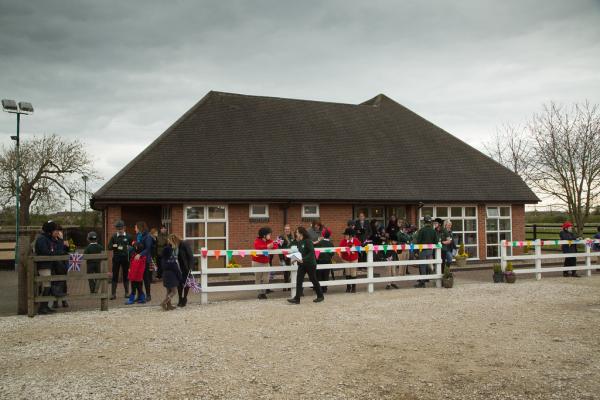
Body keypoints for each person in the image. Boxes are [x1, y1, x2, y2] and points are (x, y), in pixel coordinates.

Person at [287, 226, 324, 304]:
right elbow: (300, 253)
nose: (296, 234)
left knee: (313, 279)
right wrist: (294, 258)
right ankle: (297, 299)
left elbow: (311, 252)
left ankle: (320, 296)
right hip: (302, 264)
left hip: (310, 264)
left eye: (297, 232)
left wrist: (303, 259)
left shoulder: (308, 241)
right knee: (299, 280)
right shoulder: (299, 242)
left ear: (301, 233)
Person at [34, 221, 59, 314]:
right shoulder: (42, 239)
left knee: (48, 285)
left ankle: (45, 306)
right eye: (55, 230)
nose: (57, 232)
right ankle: (42, 307)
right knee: (46, 285)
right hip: (44, 265)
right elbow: (45, 252)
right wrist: (54, 253)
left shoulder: (48, 239)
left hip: (48, 265)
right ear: (50, 231)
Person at [108, 220, 132, 300]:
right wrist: (117, 246)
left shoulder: (128, 236)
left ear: (124, 228)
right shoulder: (114, 236)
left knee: (126, 275)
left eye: (121, 228)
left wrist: (130, 248)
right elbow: (109, 246)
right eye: (118, 229)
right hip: (116, 259)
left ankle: (127, 293)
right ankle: (113, 294)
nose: (119, 230)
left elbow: (133, 246)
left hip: (126, 259)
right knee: (115, 275)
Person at [168, 234, 194, 307]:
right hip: (178, 268)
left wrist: (190, 267)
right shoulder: (173, 246)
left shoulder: (184, 244)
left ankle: (185, 298)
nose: (169, 243)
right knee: (179, 284)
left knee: (186, 283)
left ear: (174, 240)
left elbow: (190, 256)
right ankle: (180, 299)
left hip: (185, 267)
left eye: (170, 241)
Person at [252, 227, 278, 299]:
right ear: (264, 235)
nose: (270, 236)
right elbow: (258, 247)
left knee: (266, 278)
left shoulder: (269, 240)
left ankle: (263, 292)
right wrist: (267, 246)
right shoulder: (257, 240)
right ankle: (260, 293)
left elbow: (275, 246)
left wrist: (272, 245)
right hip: (257, 262)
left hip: (266, 262)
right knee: (258, 278)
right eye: (269, 234)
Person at [414, 215, 438, 288]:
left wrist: (416, 251)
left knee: (422, 265)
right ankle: (426, 278)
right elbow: (436, 241)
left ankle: (422, 282)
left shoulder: (422, 230)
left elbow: (418, 241)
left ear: (424, 222)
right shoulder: (433, 231)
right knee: (428, 264)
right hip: (430, 250)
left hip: (423, 250)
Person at [160, 239, 182, 311]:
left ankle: (169, 305)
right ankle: (164, 302)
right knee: (174, 291)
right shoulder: (171, 259)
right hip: (171, 276)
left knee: (168, 291)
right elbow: (176, 268)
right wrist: (180, 277)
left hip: (165, 275)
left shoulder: (163, 259)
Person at [51, 225, 69, 308]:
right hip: (55, 265)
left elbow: (66, 251)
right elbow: (58, 251)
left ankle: (64, 300)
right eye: (58, 231)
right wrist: (62, 241)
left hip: (63, 264)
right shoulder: (53, 241)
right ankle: (55, 301)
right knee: (55, 283)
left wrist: (67, 246)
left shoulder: (63, 241)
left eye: (60, 231)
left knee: (63, 283)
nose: (59, 233)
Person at [340, 227, 361, 293]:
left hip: (354, 258)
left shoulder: (356, 240)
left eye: (346, 235)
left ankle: (354, 288)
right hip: (345, 259)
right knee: (347, 272)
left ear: (350, 236)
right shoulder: (343, 241)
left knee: (353, 272)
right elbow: (340, 249)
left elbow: (359, 249)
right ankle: (348, 287)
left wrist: (354, 248)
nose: (344, 236)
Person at [314, 227, 335, 292]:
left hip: (319, 261)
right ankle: (325, 288)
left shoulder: (319, 243)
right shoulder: (331, 244)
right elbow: (332, 253)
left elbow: (316, 252)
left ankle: (319, 288)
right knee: (326, 275)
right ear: (329, 235)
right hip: (327, 261)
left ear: (323, 235)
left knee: (319, 275)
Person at [278, 224, 295, 291]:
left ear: (290, 230)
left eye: (288, 229)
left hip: (292, 256)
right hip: (284, 257)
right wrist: (281, 259)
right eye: (286, 229)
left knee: (291, 271)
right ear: (284, 230)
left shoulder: (293, 236)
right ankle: (286, 285)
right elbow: (279, 247)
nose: (287, 230)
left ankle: (289, 286)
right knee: (285, 271)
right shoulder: (281, 237)